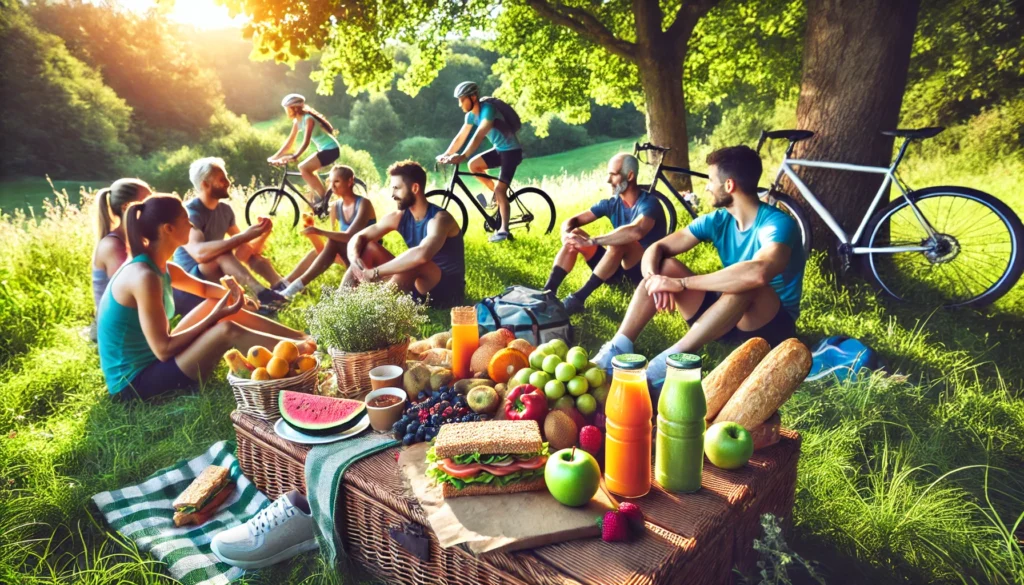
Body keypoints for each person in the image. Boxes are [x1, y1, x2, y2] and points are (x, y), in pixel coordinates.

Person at [594, 145, 806, 391]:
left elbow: (758, 273)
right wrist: (655, 279)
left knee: (746, 284)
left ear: (729, 185)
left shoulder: (777, 224)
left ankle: (669, 361)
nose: (706, 186)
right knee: (665, 266)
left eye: (711, 180)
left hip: (770, 325)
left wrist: (682, 284)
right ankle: (618, 346)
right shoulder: (719, 220)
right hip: (725, 317)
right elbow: (657, 248)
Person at [96, 195, 314, 401]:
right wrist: (216, 316)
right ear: (168, 229)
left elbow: (205, 291)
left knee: (218, 306)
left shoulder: (161, 267)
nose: (191, 225)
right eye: (185, 220)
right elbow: (163, 350)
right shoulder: (144, 277)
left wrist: (236, 296)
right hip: (135, 384)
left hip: (154, 362)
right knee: (225, 329)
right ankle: (302, 352)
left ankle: (303, 338)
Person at [542, 153, 667, 315]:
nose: (608, 181)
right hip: (613, 269)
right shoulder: (611, 203)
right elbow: (572, 221)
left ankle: (578, 299)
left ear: (630, 176)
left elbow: (636, 231)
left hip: (642, 273)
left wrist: (593, 241)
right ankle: (547, 293)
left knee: (620, 243)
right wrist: (567, 234)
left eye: (613, 175)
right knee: (575, 234)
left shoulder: (649, 203)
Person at [172, 157, 288, 314]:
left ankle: (281, 288)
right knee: (222, 254)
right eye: (221, 179)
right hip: (189, 286)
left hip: (213, 276)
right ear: (205, 185)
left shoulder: (225, 210)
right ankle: (263, 295)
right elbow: (199, 254)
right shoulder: (190, 213)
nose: (228, 182)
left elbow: (245, 251)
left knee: (253, 257)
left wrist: (262, 233)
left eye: (226, 177)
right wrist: (244, 236)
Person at [343, 160, 465, 307]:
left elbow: (422, 254)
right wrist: (354, 260)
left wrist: (375, 272)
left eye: (396, 188)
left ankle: (371, 310)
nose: (392, 195)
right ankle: (338, 305)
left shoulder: (440, 219)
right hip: (419, 283)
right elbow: (359, 237)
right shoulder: (400, 216)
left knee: (414, 262)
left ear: (414, 188)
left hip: (446, 292)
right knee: (368, 247)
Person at [437, 81, 523, 243]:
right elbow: (460, 137)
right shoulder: (470, 116)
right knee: (473, 165)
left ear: (473, 97)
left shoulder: (488, 111)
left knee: (500, 190)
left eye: (462, 99)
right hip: (499, 150)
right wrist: (447, 154)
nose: (459, 103)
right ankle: (497, 197)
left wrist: (462, 156)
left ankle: (504, 230)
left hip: (511, 152)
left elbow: (479, 134)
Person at [278, 165, 378, 298]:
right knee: (317, 251)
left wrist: (318, 231)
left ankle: (290, 290)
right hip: (351, 254)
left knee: (332, 241)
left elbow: (349, 236)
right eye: (330, 182)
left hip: (370, 255)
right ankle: (290, 289)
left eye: (337, 181)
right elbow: (335, 238)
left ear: (350, 181)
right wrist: (313, 233)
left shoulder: (364, 204)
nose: (332, 186)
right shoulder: (335, 207)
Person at [89, 178, 153, 340]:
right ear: (127, 207)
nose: (152, 206)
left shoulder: (137, 238)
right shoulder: (113, 245)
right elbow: (131, 292)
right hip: (115, 330)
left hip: (130, 320)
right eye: (147, 202)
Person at [268, 94, 341, 205]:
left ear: (295, 108)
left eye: (287, 109)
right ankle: (322, 203)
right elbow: (289, 142)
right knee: (309, 173)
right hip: (324, 150)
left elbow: (306, 142)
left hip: (331, 149)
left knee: (303, 167)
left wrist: (294, 156)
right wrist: (275, 157)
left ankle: (324, 199)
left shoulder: (308, 119)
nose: (286, 111)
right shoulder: (297, 121)